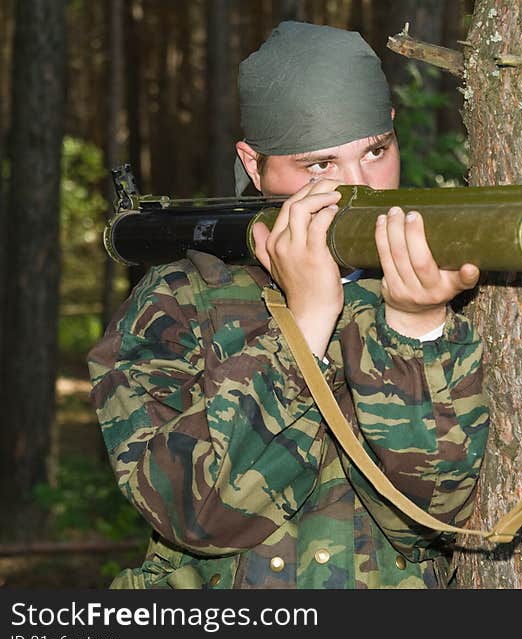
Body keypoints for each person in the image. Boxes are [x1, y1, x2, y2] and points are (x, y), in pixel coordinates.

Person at [87, 21, 489, 589]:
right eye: (319, 165)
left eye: (376, 151)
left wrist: (414, 327)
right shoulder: (177, 303)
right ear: (255, 166)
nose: (359, 190)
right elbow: (198, 517)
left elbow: (432, 518)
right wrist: (305, 325)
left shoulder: (440, 278)